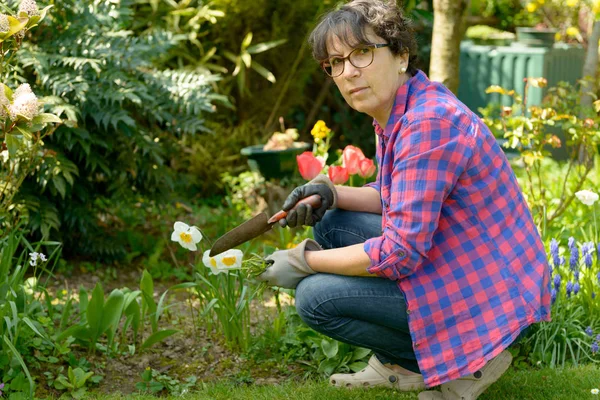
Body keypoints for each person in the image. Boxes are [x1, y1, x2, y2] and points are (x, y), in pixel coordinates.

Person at [257, 1, 551, 399]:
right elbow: (397, 194)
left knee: (314, 297)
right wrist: (330, 192)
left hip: (486, 294)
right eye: (336, 62)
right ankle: (409, 365)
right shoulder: (403, 109)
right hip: (466, 263)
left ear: (400, 55)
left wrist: (303, 261)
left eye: (361, 52)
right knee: (331, 219)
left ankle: (470, 363)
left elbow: (401, 252)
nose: (348, 72)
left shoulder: (428, 122)